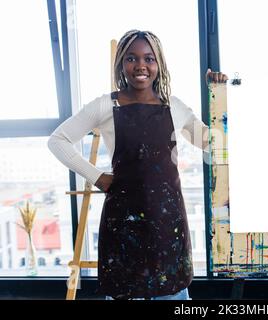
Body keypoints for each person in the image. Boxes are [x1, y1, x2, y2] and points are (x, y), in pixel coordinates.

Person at [48, 29, 228, 300]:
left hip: (168, 226)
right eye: (131, 58)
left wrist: (218, 95)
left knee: (172, 293)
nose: (141, 65)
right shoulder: (104, 106)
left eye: (149, 58)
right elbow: (58, 140)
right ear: (121, 63)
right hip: (123, 227)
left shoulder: (174, 107)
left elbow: (214, 143)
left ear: (159, 64)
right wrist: (97, 177)